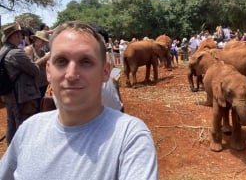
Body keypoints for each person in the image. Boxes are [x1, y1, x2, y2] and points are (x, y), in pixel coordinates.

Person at [0, 21, 158, 180]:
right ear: (48, 71)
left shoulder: (130, 137)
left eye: (86, 62)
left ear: (105, 72)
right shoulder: (29, 129)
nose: (71, 74)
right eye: (61, 61)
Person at [0, 24, 40, 145]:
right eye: (19, 35)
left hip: (8, 93)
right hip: (21, 95)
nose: (22, 37)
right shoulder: (16, 53)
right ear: (14, 36)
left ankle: (11, 151)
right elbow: (35, 70)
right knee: (23, 124)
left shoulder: (2, 51)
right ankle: (22, 152)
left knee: (11, 122)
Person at [24, 31, 50, 98]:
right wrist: (45, 58)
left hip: (44, 84)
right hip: (35, 85)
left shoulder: (42, 52)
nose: (44, 43)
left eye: (44, 41)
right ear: (36, 39)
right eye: (42, 41)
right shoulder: (29, 49)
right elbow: (30, 67)